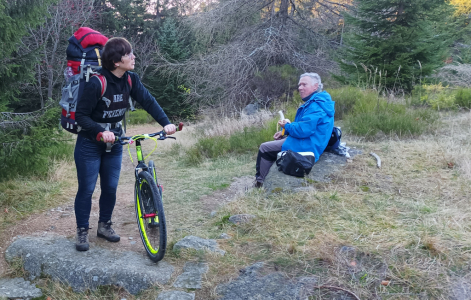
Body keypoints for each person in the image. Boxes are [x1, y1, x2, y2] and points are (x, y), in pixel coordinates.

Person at [74, 37, 176, 251]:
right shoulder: (96, 82)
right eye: (129, 54)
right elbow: (80, 116)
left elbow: (148, 101)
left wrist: (166, 123)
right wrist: (101, 131)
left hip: (116, 142)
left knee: (110, 188)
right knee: (87, 189)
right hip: (90, 144)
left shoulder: (131, 79)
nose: (133, 57)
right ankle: (82, 230)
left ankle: (104, 226)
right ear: (116, 61)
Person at [254, 73, 335, 187]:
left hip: (307, 146)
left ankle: (260, 183)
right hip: (310, 140)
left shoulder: (316, 106)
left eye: (304, 84)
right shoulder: (320, 102)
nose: (300, 88)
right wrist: (286, 131)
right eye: (299, 85)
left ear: (315, 86)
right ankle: (267, 177)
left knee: (264, 148)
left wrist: (287, 126)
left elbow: (303, 130)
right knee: (274, 144)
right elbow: (307, 126)